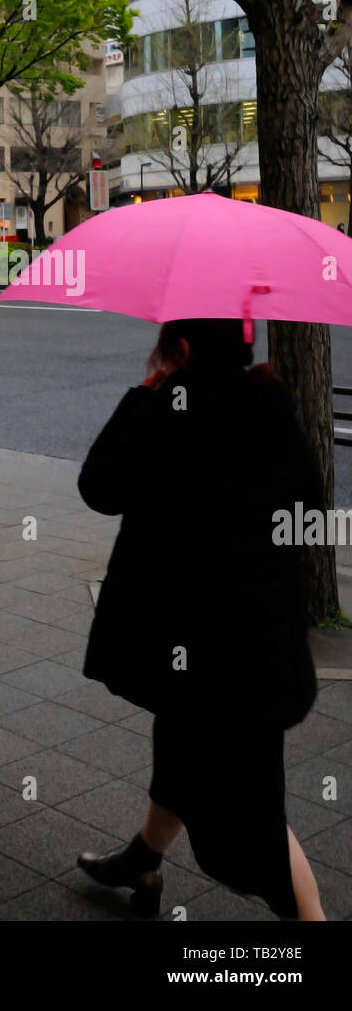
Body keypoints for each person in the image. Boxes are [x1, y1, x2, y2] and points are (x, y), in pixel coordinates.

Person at [76, 318, 326, 922]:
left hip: (216, 663)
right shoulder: (273, 408)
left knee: (250, 827)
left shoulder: (164, 410)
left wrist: (143, 396)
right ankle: (142, 861)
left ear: (181, 350)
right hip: (263, 646)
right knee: (182, 748)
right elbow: (311, 513)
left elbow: (99, 487)